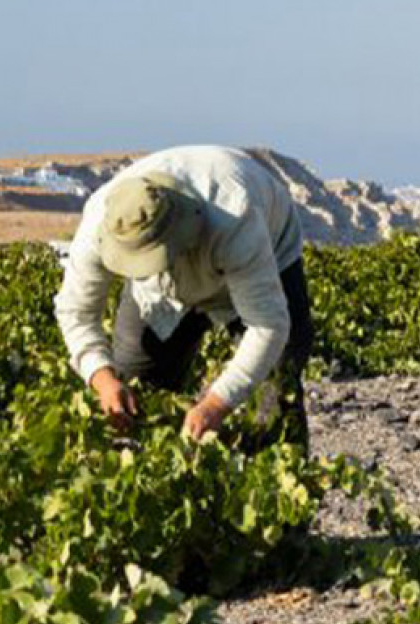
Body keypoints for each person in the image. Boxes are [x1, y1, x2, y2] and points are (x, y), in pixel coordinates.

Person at [53, 145, 313, 452]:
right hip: (157, 296)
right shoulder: (100, 224)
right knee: (134, 400)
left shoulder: (235, 217)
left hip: (269, 254)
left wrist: (217, 403)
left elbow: (268, 326)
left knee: (274, 394)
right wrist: (102, 378)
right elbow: (75, 313)